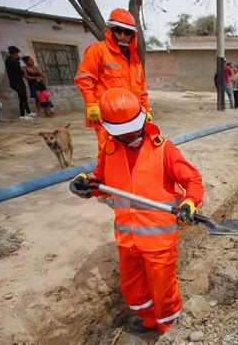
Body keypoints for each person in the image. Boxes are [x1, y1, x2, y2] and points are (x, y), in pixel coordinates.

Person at [69, 88, 204, 334]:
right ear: (110, 130)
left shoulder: (164, 149)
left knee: (163, 289)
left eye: (134, 128)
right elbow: (101, 182)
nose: (131, 135)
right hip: (127, 239)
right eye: (123, 132)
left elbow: (193, 180)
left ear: (142, 120)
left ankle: (169, 329)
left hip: (158, 241)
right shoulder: (110, 150)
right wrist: (86, 184)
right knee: (132, 287)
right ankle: (149, 320)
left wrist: (189, 202)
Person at [75, 8, 151, 164]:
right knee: (109, 153)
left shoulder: (135, 60)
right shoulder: (98, 50)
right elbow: (84, 78)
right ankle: (108, 185)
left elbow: (141, 89)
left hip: (133, 117)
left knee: (134, 153)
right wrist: (91, 104)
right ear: (111, 30)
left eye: (127, 32)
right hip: (107, 116)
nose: (123, 35)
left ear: (133, 35)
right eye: (118, 31)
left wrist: (146, 109)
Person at [5, 46, 35, 121]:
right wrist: (24, 71)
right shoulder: (13, 61)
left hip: (15, 82)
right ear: (15, 53)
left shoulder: (8, 60)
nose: (18, 55)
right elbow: (21, 72)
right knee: (22, 98)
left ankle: (28, 112)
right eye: (18, 53)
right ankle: (22, 115)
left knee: (24, 97)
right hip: (17, 82)